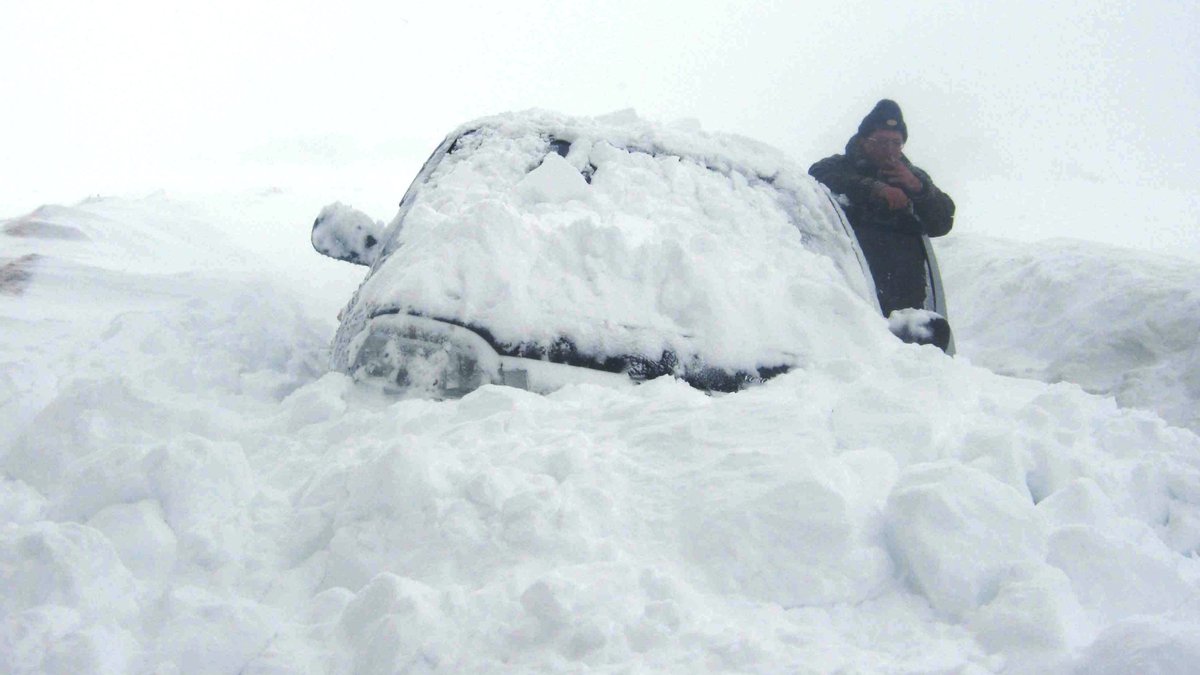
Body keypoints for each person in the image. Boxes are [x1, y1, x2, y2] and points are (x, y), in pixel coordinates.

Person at [809, 99, 955, 317]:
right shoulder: (838, 166)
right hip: (850, 292)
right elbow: (816, 177)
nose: (889, 150)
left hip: (907, 301)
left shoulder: (914, 177)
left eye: (896, 143)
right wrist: (874, 188)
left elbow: (942, 222)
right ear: (863, 141)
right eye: (881, 141)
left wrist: (918, 188)